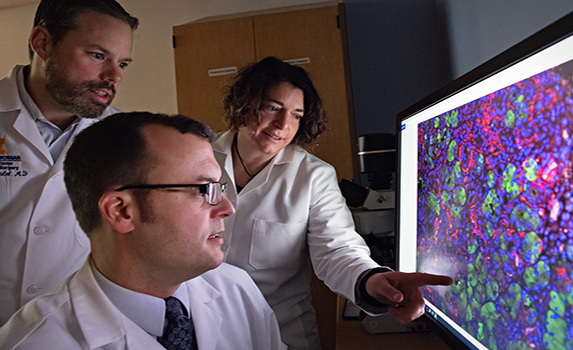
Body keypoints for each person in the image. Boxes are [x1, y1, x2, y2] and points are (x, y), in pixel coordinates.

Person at [212, 56, 454, 349]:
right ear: (244, 103)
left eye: (296, 115)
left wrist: (372, 280)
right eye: (272, 107)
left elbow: (337, 250)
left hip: (277, 335)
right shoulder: (198, 159)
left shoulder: (313, 175)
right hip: (197, 329)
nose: (282, 124)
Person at [0, 112, 287, 350]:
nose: (227, 207)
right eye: (203, 190)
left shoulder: (237, 291)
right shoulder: (35, 342)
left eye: (219, 187)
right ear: (122, 211)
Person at [0, 0, 138, 325]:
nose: (114, 76)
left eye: (123, 63)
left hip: (72, 325)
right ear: (42, 43)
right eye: (98, 55)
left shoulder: (122, 137)